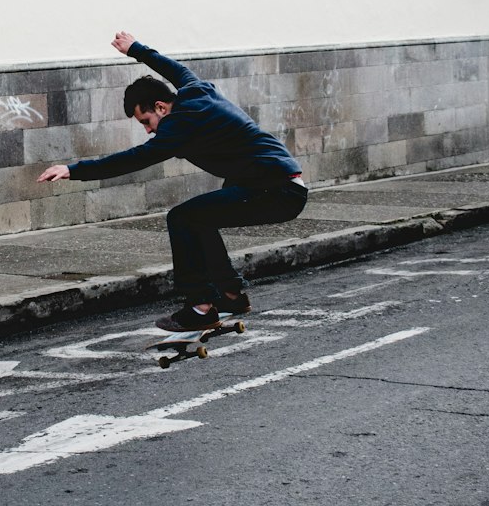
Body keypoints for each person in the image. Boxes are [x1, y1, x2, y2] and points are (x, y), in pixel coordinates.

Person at [37, 32, 308, 333]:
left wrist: (74, 169)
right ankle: (231, 294)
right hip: (276, 183)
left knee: (182, 218)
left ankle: (200, 307)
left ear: (161, 108)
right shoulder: (195, 89)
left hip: (275, 190)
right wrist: (135, 49)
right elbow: (172, 68)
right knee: (201, 219)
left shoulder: (180, 125)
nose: (149, 131)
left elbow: (133, 159)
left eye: (146, 122)